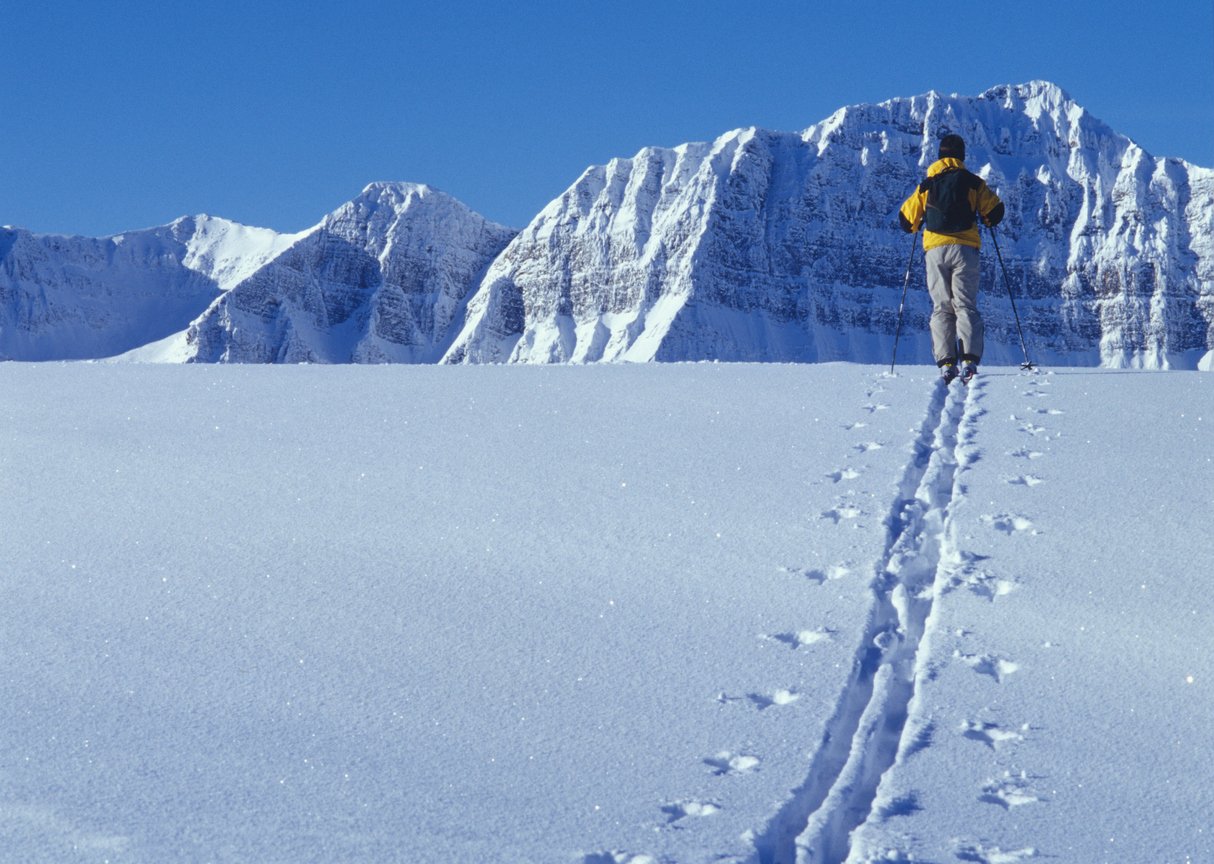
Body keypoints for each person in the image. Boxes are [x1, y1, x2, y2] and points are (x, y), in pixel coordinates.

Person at [899, 133, 1005, 383]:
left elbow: (905, 221)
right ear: (961, 156)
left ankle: (947, 363)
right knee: (965, 304)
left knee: (942, 306)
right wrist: (984, 218)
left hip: (935, 251)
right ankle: (968, 360)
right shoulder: (972, 182)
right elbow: (996, 211)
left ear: (939, 155)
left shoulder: (927, 184)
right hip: (965, 249)